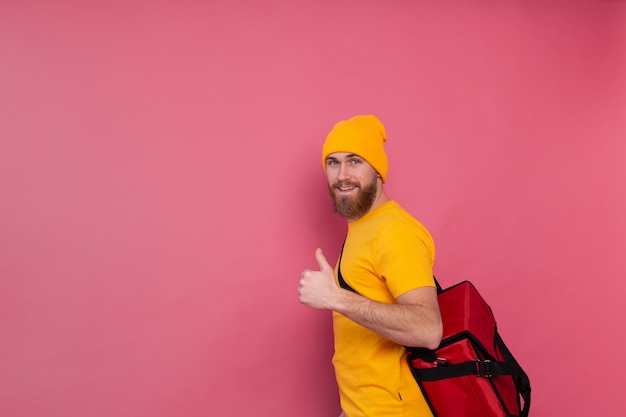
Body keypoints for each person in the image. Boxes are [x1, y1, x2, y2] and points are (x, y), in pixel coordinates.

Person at [298, 115, 443, 417]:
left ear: (377, 171)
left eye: (355, 161)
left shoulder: (395, 232)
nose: (342, 175)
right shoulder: (363, 228)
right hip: (360, 408)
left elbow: (428, 329)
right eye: (333, 163)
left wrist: (334, 298)